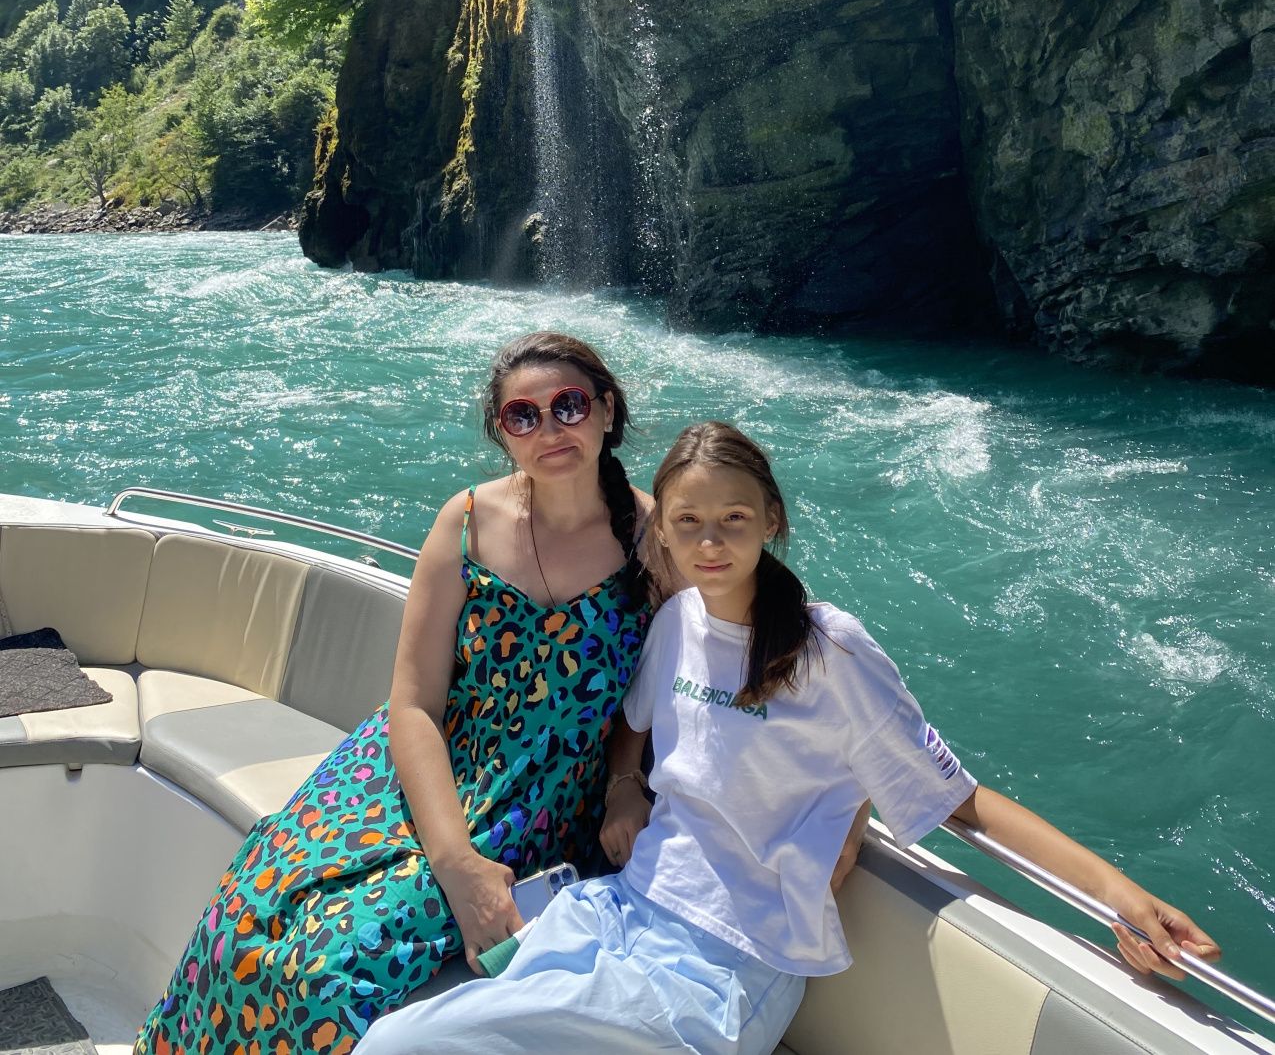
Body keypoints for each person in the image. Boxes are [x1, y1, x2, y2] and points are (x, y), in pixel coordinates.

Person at [356, 420, 1222, 1055]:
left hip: (727, 966)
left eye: (732, 519)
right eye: (687, 523)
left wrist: (1120, 895)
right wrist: (623, 789)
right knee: (394, 1032)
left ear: (771, 519)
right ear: (660, 530)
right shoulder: (677, 623)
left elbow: (960, 803)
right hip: (620, 912)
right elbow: (633, 724)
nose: (709, 542)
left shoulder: (827, 651)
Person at [134, 332, 651, 1055]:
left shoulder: (657, 539)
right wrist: (456, 864)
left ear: (606, 409)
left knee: (322, 973)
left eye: (568, 405)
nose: (549, 429)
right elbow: (413, 704)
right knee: (245, 917)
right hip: (412, 767)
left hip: (537, 801)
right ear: (502, 434)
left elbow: (659, 687)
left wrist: (625, 782)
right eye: (522, 416)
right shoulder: (467, 522)